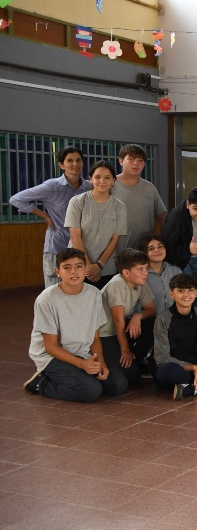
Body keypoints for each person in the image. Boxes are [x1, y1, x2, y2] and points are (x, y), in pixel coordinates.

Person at [24, 248, 127, 402]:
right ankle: (41, 383)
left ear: (86, 269)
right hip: (51, 356)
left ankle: (76, 377)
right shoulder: (47, 299)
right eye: (67, 267)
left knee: (118, 385)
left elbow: (95, 338)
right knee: (91, 391)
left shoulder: (94, 294)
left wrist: (101, 362)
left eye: (79, 266)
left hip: (82, 352)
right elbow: (51, 347)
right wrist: (82, 364)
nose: (74, 272)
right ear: (57, 272)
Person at [11, 146, 91, 287]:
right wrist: (45, 216)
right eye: (70, 160)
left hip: (82, 247)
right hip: (57, 246)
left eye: (78, 160)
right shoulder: (52, 186)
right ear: (61, 165)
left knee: (79, 290)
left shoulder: (89, 187)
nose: (75, 164)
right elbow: (16, 199)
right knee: (54, 290)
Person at [98, 248, 156, 387]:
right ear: (126, 273)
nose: (145, 273)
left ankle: (137, 360)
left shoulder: (140, 283)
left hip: (120, 330)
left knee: (153, 322)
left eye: (146, 268)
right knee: (125, 380)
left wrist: (138, 315)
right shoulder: (117, 284)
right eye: (140, 269)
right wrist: (125, 350)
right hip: (104, 335)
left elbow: (152, 309)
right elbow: (118, 320)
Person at [65, 160, 128, 287]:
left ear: (113, 180)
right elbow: (75, 236)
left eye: (107, 178)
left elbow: (114, 240)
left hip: (107, 268)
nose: (102, 181)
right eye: (97, 177)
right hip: (77, 265)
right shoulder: (77, 202)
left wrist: (99, 265)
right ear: (90, 179)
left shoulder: (120, 207)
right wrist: (88, 266)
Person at [112, 144, 167, 251]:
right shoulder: (110, 185)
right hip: (115, 250)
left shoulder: (149, 188)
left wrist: (163, 241)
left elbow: (162, 216)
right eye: (131, 159)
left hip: (144, 249)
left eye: (140, 160)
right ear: (121, 161)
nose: (136, 163)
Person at [138, 233, 181, 316]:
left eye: (160, 246)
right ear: (144, 252)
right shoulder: (139, 274)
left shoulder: (175, 271)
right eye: (151, 248)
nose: (157, 250)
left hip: (174, 319)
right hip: (150, 319)